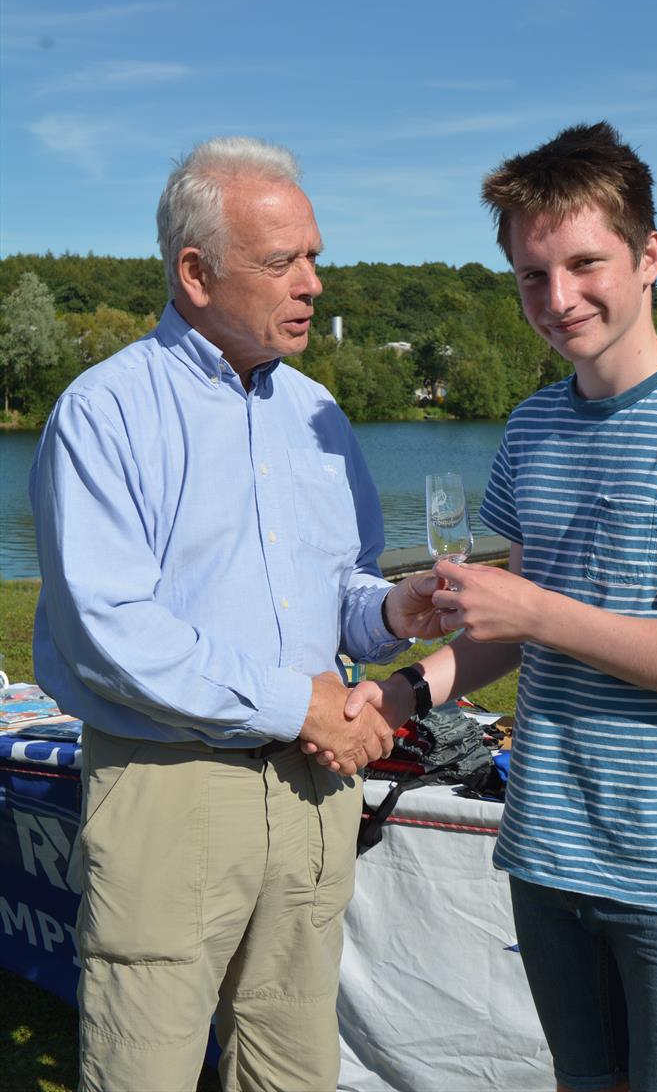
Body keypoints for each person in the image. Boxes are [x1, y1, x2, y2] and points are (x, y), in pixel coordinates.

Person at [334, 123, 657, 1092]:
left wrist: (535, 609)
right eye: (529, 276)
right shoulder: (530, 423)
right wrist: (402, 696)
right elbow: (499, 631)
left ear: (647, 257)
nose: (556, 300)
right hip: (545, 854)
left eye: (583, 264)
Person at [29, 136, 442, 1092]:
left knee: (293, 1066)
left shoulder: (318, 415)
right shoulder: (106, 413)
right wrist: (299, 703)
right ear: (196, 272)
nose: (313, 285)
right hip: (170, 787)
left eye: (316, 257)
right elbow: (110, 629)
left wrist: (392, 610)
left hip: (310, 792)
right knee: (147, 1066)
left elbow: (337, 590)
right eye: (282, 261)